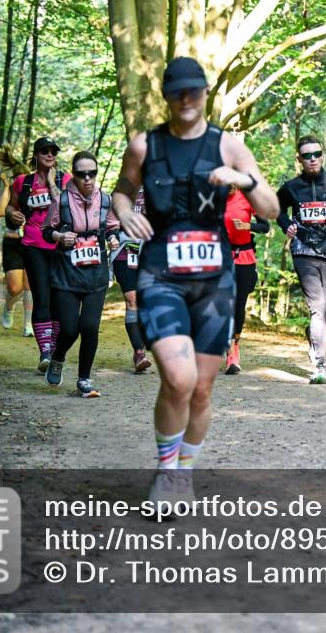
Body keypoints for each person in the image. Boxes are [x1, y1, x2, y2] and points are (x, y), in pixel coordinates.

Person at [112, 57, 278, 507]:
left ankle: (184, 471)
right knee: (179, 379)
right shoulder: (144, 145)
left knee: (203, 388)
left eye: (194, 91)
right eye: (177, 92)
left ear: (206, 94)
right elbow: (122, 191)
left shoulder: (229, 146)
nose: (186, 99)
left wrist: (242, 179)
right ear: (166, 96)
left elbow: (271, 208)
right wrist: (126, 213)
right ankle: (165, 472)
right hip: (161, 274)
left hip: (213, 282)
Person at [277, 135, 326, 384]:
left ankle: (313, 336)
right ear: (299, 159)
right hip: (302, 250)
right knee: (317, 307)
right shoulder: (291, 187)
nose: (312, 159)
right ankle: (320, 365)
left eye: (316, 154)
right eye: (307, 155)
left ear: (323, 155)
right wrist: (287, 225)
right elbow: (275, 209)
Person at [41, 151, 120, 398]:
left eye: (92, 173)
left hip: (96, 273)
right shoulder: (62, 200)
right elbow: (46, 230)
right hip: (67, 272)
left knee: (90, 327)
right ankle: (58, 357)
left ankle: (84, 379)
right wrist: (59, 236)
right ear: (73, 175)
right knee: (69, 329)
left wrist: (113, 238)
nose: (87, 178)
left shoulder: (105, 200)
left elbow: (110, 228)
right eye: (81, 174)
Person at [5, 137, 71, 372]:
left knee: (58, 300)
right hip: (34, 245)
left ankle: (54, 351)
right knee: (41, 297)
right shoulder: (23, 182)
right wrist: (12, 214)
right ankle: (45, 352)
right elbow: (11, 206)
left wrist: (53, 184)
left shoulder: (66, 179)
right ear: (36, 154)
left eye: (54, 151)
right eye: (45, 151)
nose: (50, 154)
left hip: (61, 247)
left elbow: (68, 205)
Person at [223, 186, 269, 374]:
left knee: (238, 304)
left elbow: (265, 227)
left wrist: (249, 226)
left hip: (244, 256)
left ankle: (233, 350)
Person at [110, 185, 151, 373]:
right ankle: (139, 352)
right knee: (132, 299)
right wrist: (111, 236)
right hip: (125, 248)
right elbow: (109, 223)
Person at [0, 180, 33, 337]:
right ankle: (8, 308)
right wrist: (5, 187)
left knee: (30, 285)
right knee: (15, 288)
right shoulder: (10, 193)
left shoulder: (34, 192)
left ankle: (28, 325)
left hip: (32, 243)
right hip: (13, 244)